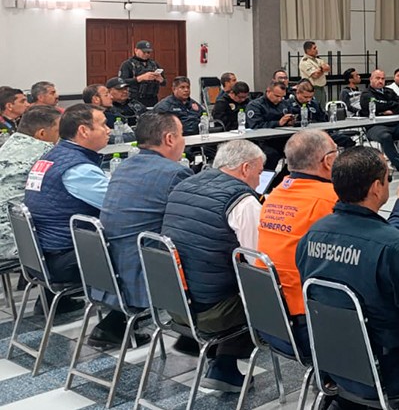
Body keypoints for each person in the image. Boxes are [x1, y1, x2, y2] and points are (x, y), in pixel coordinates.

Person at [297, 147, 399, 409]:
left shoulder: (312, 234)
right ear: (377, 187)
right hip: (396, 372)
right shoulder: (396, 249)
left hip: (335, 362)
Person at [160, 140, 264, 392]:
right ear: (245, 168)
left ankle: (212, 353)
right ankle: (224, 366)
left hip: (174, 302)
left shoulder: (184, 186)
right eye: (259, 173)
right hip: (210, 311)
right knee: (264, 291)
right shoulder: (243, 202)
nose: (259, 182)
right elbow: (257, 260)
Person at [93, 111, 190, 349]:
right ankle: (196, 337)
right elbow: (188, 222)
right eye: (181, 135)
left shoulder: (125, 165)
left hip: (108, 266)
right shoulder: (174, 173)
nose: (183, 141)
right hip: (139, 269)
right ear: (169, 139)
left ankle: (114, 324)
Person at [256, 130, 340, 358]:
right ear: (328, 161)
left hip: (269, 315)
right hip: (308, 325)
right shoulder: (330, 198)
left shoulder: (272, 195)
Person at [23, 104, 111, 284]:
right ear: (84, 131)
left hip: (43, 252)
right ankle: (124, 310)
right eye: (103, 125)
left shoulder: (52, 155)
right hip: (66, 258)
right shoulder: (78, 169)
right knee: (138, 246)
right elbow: (118, 206)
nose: (108, 130)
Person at [0, 107, 59, 260]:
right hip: (13, 240)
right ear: (42, 134)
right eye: (59, 131)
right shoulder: (43, 150)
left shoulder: (9, 144)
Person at [358, 70, 399, 172]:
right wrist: (389, 105)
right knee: (385, 137)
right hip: (375, 125)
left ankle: (397, 160)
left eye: (382, 79)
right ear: (371, 79)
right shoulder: (366, 94)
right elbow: (375, 105)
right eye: (377, 78)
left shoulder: (389, 91)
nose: (380, 81)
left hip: (394, 123)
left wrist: (389, 109)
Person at [288, 81, 355, 148]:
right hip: (299, 136)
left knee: (346, 140)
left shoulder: (314, 104)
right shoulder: (289, 104)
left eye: (311, 97)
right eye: (305, 97)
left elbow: (323, 119)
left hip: (319, 134)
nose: (308, 99)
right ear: (297, 93)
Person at [246, 81, 296, 169]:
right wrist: (278, 123)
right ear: (268, 91)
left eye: (282, 96)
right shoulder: (255, 105)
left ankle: (285, 177)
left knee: (299, 151)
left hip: (281, 138)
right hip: (263, 141)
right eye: (277, 96)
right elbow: (255, 126)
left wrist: (290, 122)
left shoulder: (284, 104)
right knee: (271, 155)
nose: (279, 99)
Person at [118, 41, 164, 108]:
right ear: (136, 50)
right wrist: (140, 78)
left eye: (148, 52)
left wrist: (160, 79)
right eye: (144, 52)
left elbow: (164, 83)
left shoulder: (154, 64)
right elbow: (122, 82)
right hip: (135, 99)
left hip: (152, 99)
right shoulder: (128, 64)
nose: (146, 54)